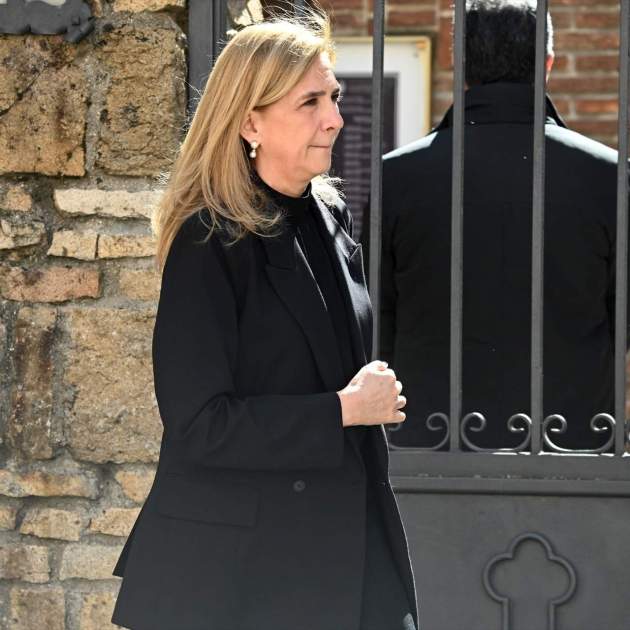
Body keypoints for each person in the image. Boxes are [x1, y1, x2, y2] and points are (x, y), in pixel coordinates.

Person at [110, 9, 419, 630]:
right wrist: (342, 410)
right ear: (250, 122)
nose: (334, 118)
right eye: (310, 102)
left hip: (342, 556)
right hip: (238, 576)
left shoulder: (331, 220)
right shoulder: (210, 239)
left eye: (334, 97)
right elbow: (200, 425)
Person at [361, 0, 626, 452]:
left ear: (458, 63)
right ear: (548, 63)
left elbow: (373, 322)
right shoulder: (608, 176)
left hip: (430, 447)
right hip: (574, 446)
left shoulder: (397, 177)